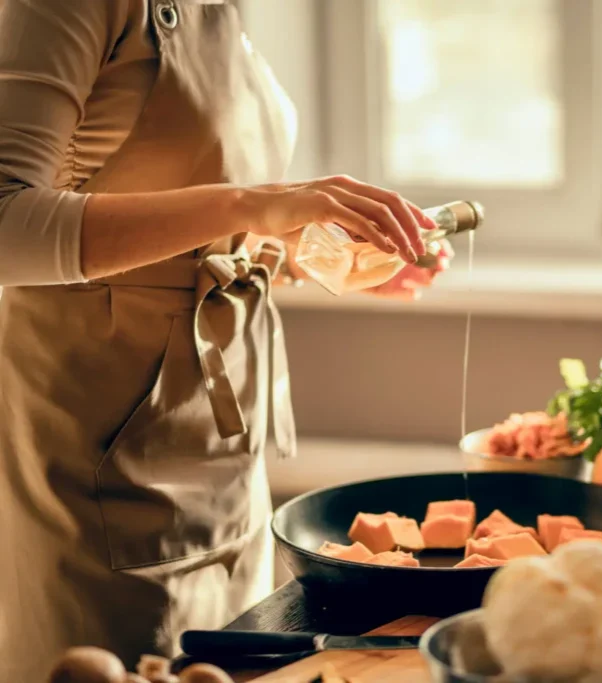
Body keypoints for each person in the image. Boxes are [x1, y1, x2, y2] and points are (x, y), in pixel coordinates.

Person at [0, 1, 451, 678]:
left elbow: (183, 228)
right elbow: (6, 223)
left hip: (226, 458)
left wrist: (306, 256)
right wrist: (251, 204)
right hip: (102, 461)